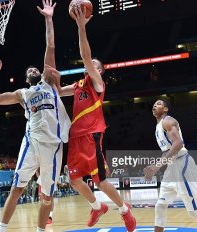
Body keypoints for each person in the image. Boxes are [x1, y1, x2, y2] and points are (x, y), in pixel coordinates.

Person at [0, 1, 70, 232]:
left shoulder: (50, 83)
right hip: (32, 142)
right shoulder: (22, 93)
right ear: (27, 79)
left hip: (54, 146)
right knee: (17, 189)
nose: (34, 70)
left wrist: (48, 18)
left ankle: (41, 230)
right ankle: (2, 229)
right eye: (30, 71)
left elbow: (51, 46)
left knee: (47, 196)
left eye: (36, 69)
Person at [57, 6, 136, 231]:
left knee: (100, 182)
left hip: (92, 136)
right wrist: (51, 78)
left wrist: (81, 26)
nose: (91, 66)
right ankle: (96, 206)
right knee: (74, 180)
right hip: (75, 139)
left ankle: (124, 210)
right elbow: (58, 92)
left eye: (95, 66)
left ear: (99, 71)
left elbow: (85, 55)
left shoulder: (98, 85)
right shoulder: (78, 85)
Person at [144, 99, 197, 232]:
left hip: (182, 165)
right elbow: (167, 151)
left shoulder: (168, 121)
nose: (155, 105)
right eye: (154, 103)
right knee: (160, 205)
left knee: (193, 211)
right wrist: (155, 167)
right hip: (171, 167)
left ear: (166, 109)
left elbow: (178, 144)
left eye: (159, 104)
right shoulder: (158, 126)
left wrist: (158, 166)